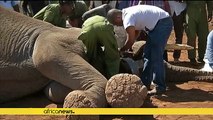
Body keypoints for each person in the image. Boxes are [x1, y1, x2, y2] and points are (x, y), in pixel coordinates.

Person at [107, 5, 173, 95]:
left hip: (162, 23)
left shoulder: (127, 18)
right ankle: (144, 84)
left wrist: (121, 50)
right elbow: (136, 32)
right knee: (147, 54)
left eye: (116, 23)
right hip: (158, 24)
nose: (117, 25)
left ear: (118, 17)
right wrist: (129, 45)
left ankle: (160, 86)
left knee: (156, 55)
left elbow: (130, 40)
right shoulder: (128, 12)